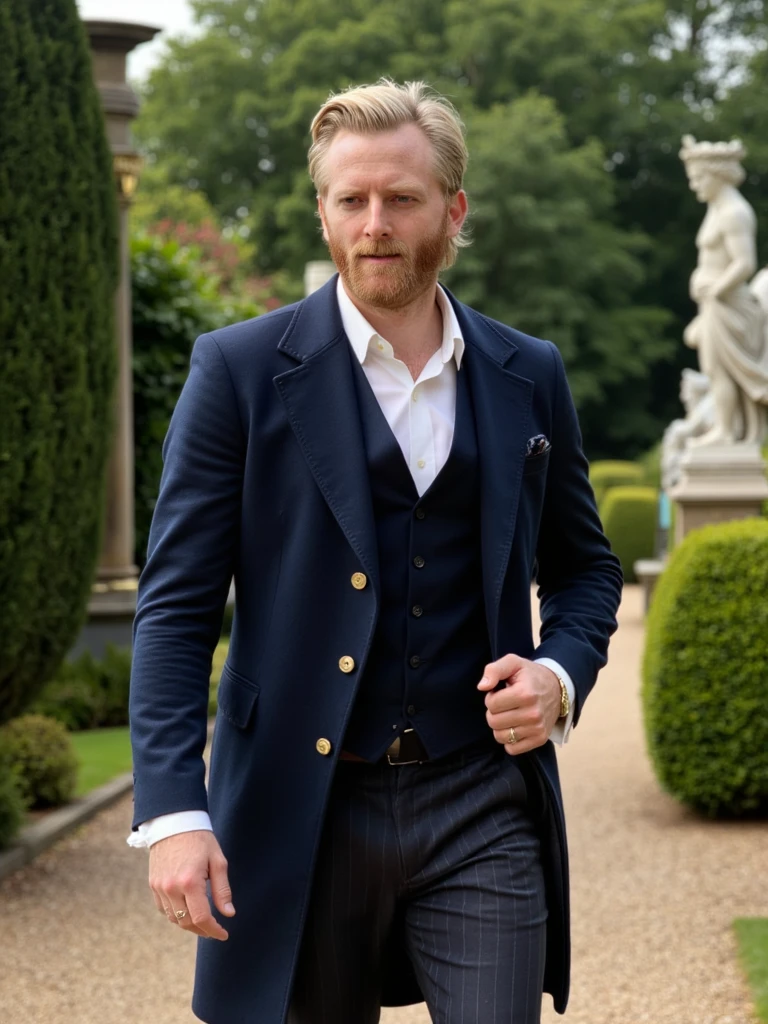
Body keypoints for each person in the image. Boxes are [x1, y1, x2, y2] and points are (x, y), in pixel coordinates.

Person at [128, 80, 623, 1024]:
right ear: (323, 213)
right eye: (350, 200)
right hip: (299, 811)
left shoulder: (530, 373)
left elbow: (586, 567)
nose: (375, 223)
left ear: (454, 208)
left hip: (481, 801)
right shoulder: (236, 372)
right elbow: (176, 608)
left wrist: (558, 673)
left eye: (401, 197)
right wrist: (174, 814)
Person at [680, 135, 768, 446]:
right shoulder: (717, 209)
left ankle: (726, 432)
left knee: (720, 371)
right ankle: (724, 429)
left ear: (717, 175)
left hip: (729, 306)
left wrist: (715, 288)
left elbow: (745, 263)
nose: (695, 185)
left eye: (699, 177)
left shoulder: (734, 213)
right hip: (716, 305)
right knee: (714, 370)